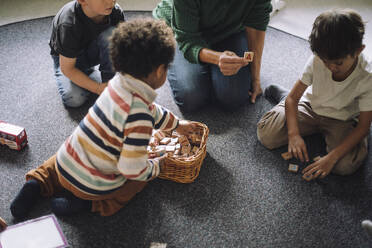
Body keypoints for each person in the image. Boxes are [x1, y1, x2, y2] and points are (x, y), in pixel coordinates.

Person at [10, 19, 196, 217]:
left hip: (65, 163)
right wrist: (155, 167)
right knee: (136, 183)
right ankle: (85, 206)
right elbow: (132, 169)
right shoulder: (140, 117)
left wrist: (176, 124)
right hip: (92, 187)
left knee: (62, 156)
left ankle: (36, 183)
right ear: (160, 71)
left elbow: (152, 110)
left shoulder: (118, 83)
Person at [257, 9, 372, 181]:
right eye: (326, 62)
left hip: (343, 119)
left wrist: (331, 158)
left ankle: (293, 114)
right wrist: (293, 134)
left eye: (338, 63)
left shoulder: (367, 76)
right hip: (310, 106)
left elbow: (364, 127)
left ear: (358, 51)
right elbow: (293, 99)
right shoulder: (318, 59)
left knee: (344, 166)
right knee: (267, 134)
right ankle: (282, 97)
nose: (331, 67)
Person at [153, 0, 272, 112]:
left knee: (234, 98)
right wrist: (217, 58)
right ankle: (168, 51)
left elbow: (257, 23)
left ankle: (209, 77)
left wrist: (255, 79)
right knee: (191, 97)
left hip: (229, 29)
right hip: (183, 31)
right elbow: (187, 40)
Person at [49, 0, 125, 108]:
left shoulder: (115, 12)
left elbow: (123, 48)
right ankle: (88, 77)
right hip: (68, 63)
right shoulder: (68, 23)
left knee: (113, 35)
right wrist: (98, 88)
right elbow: (67, 68)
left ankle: (108, 83)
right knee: (74, 99)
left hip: (92, 52)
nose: (110, 1)